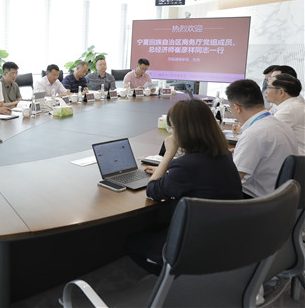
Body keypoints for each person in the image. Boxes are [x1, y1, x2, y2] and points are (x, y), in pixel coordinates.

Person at [128, 98, 243, 274]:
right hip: (223, 235)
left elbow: (152, 191)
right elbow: (198, 177)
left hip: (192, 244)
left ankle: (175, 277)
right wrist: (169, 173)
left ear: (183, 131)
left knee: (131, 242)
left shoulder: (185, 165)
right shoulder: (224, 155)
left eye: (173, 128)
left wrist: (169, 154)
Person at [227, 79, 297, 198]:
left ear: (237, 108)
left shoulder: (254, 133)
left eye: (230, 109)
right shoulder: (282, 125)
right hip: (281, 198)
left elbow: (232, 179)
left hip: (256, 201)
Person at [265, 74, 305, 154]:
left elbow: (265, 134)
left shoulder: (289, 110)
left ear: (281, 92)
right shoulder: (292, 105)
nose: (266, 91)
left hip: (297, 159)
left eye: (269, 88)